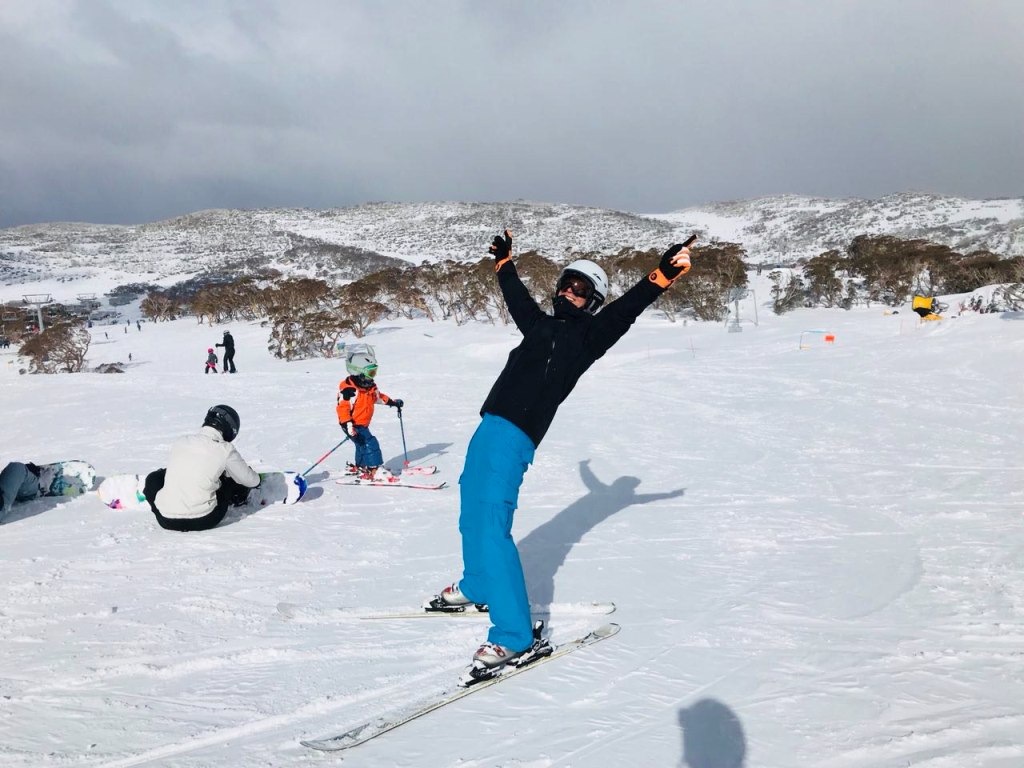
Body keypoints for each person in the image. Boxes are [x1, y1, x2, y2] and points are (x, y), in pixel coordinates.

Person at [432, 229, 694, 676]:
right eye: (566, 284)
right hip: (489, 425)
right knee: (470, 512)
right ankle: (478, 584)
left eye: (581, 291)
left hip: (515, 435)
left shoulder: (591, 337)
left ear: (592, 302)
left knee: (492, 524)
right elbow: (516, 298)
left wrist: (662, 274)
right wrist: (504, 263)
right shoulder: (539, 325)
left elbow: (629, 307)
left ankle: (514, 634)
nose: (569, 293)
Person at [142, 404, 261, 531]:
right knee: (229, 479)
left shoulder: (181, 441)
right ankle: (239, 499)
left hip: (165, 520)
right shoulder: (224, 449)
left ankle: (169, 504)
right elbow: (251, 481)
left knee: (155, 478)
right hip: (204, 520)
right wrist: (250, 475)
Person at [335, 343, 404, 480]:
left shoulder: (369, 387)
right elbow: (342, 409)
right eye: (371, 372)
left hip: (362, 423)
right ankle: (375, 468)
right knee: (369, 443)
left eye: (375, 371)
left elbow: (378, 398)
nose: (373, 376)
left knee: (361, 445)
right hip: (352, 424)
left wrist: (393, 402)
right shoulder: (349, 391)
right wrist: (348, 425)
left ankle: (361, 466)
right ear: (358, 372)